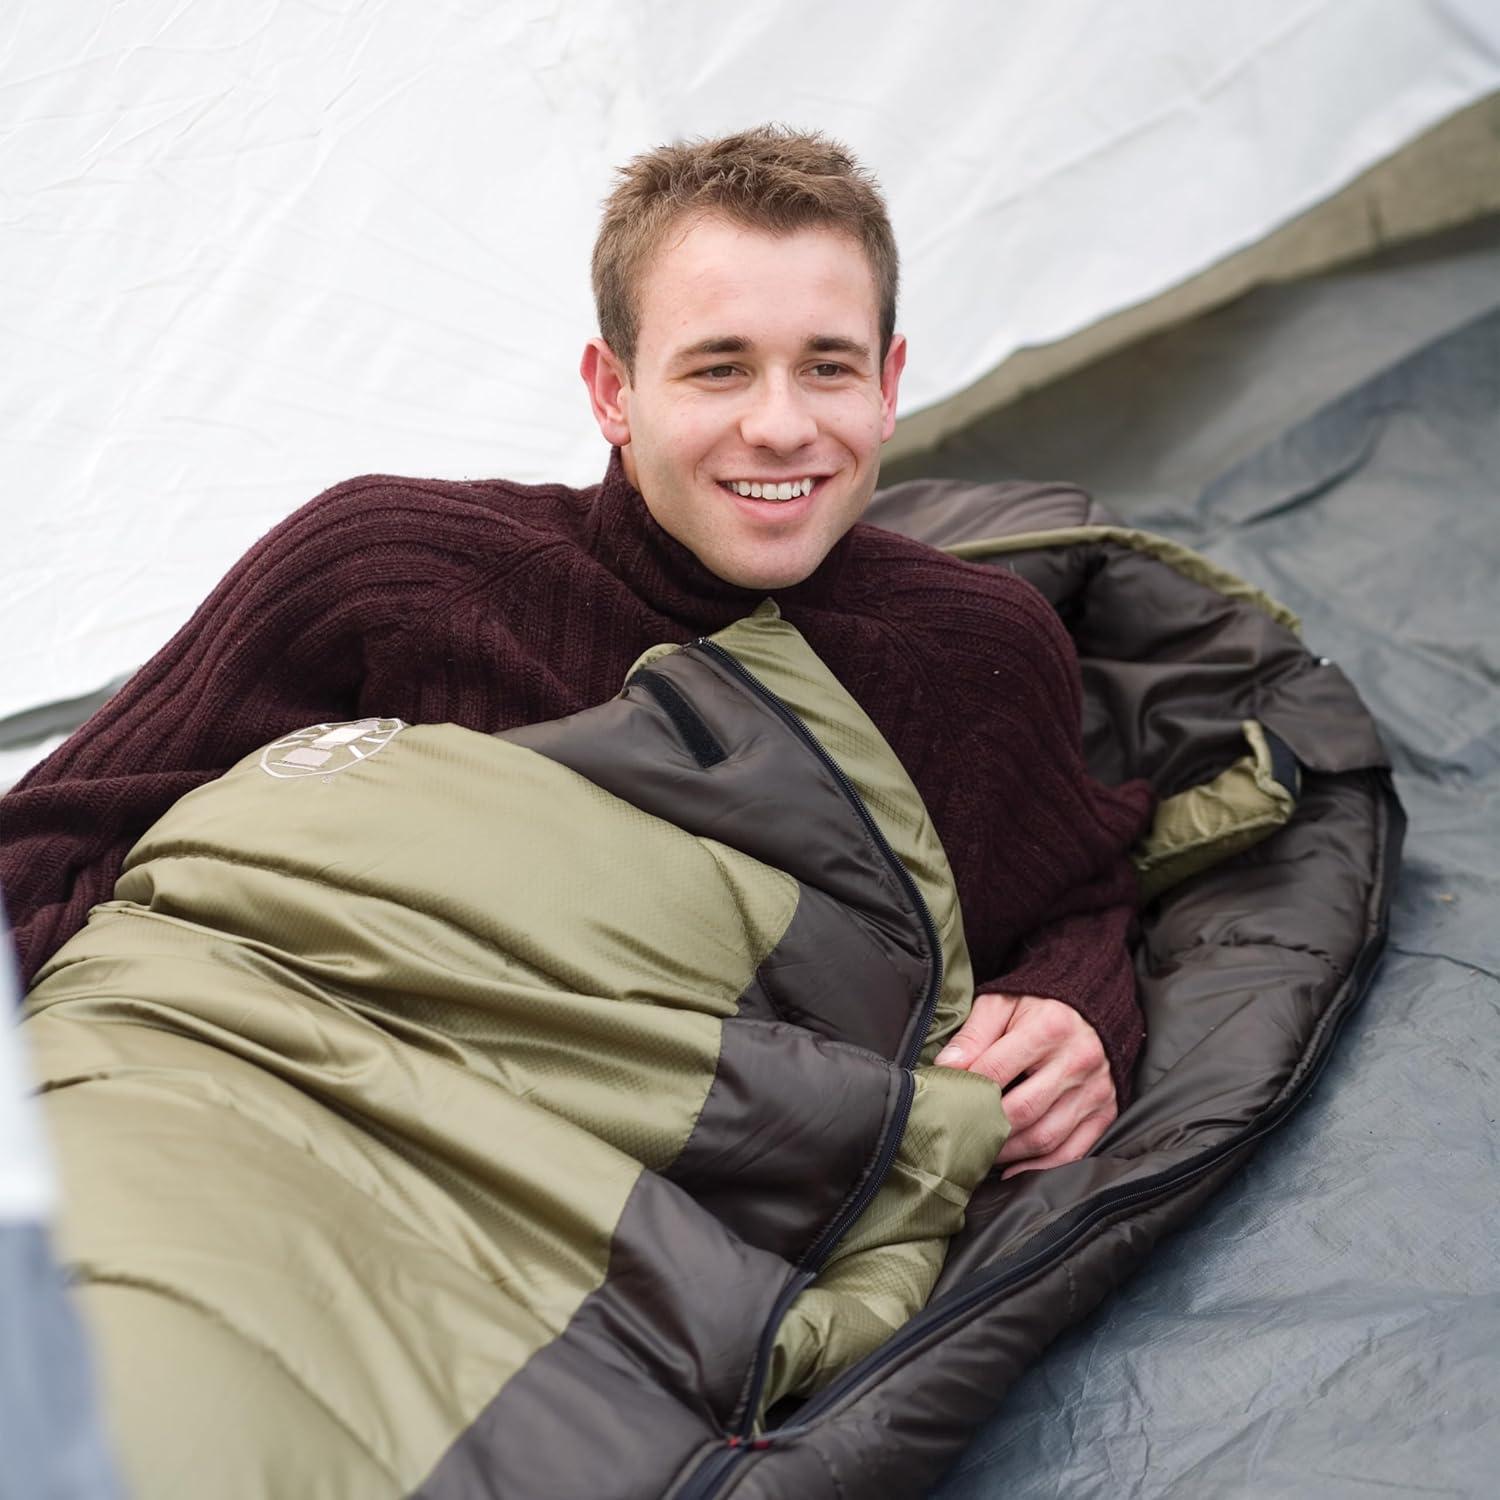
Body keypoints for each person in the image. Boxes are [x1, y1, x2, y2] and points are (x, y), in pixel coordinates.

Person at [0, 125, 1152, 1176]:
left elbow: (1075, 894)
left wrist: (1075, 1007)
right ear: (613, 391)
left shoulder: (971, 653)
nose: (781, 425)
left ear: (889, 387)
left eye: (828, 366)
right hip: (269, 1130)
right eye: (719, 367)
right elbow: (57, 841)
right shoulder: (386, 574)